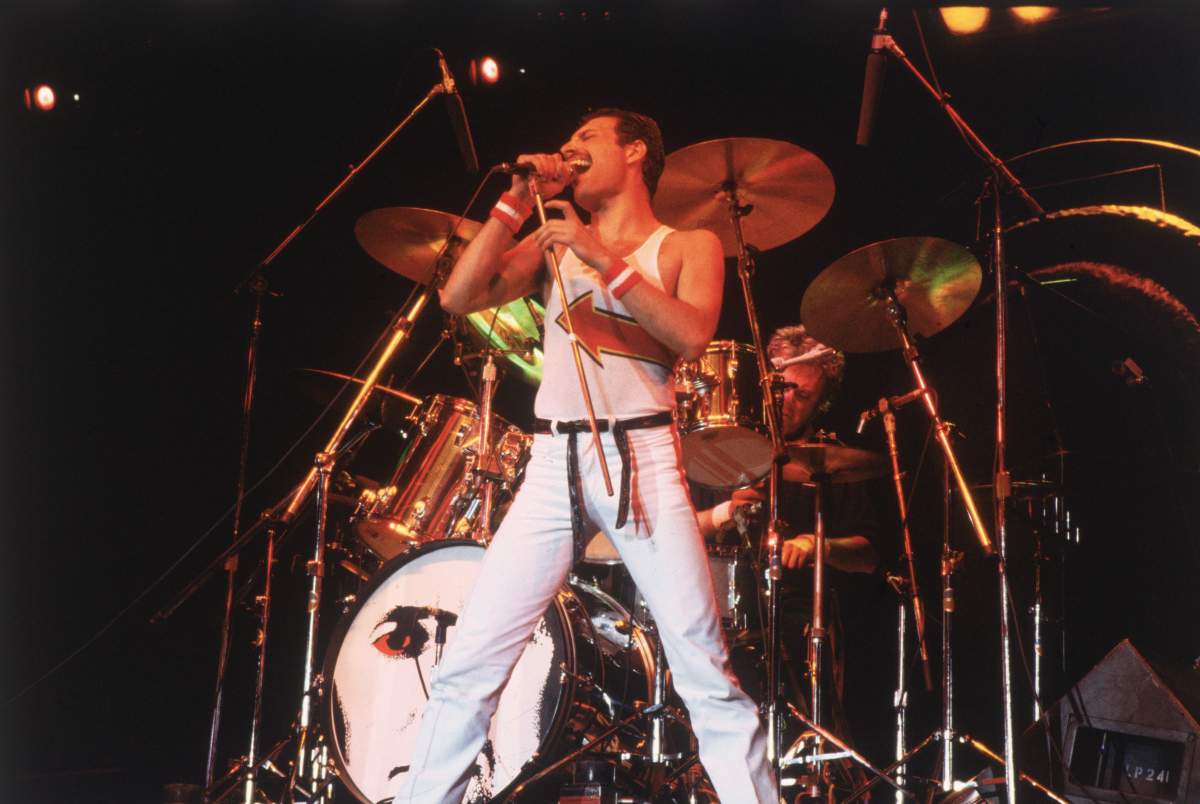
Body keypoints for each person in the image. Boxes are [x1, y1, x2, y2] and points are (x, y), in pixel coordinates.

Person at [390, 109, 776, 803]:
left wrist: (601, 257)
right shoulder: (551, 244)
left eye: (585, 140)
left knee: (704, 671)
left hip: (641, 457)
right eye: (565, 143)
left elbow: (691, 334)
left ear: (635, 152)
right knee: (469, 665)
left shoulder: (686, 244)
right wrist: (514, 203)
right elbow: (458, 295)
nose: (568, 150)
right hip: (552, 463)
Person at [694, 325, 880, 739]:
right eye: (783, 387)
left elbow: (868, 555)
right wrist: (723, 512)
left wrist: (818, 545)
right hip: (711, 612)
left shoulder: (831, 463)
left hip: (794, 620)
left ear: (821, 403)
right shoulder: (715, 447)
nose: (786, 401)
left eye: (803, 395)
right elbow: (674, 531)